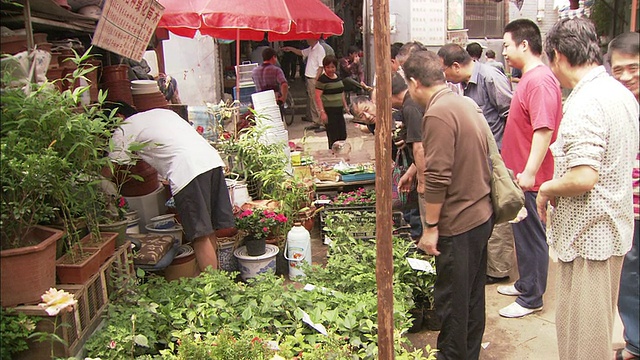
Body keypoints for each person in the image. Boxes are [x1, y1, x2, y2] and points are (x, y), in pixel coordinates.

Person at [536, 18, 639, 360]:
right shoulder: (618, 93)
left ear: (559, 56)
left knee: (584, 341)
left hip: (590, 237)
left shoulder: (586, 101)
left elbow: (583, 177)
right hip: (610, 231)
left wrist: (547, 187)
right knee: (590, 330)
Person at [404, 49, 494, 360]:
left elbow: (439, 176)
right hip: (480, 215)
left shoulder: (437, 113)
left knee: (454, 305)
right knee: (470, 300)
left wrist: (430, 228)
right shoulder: (461, 102)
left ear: (415, 83)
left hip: (460, 222)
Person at [108, 104, 235, 272]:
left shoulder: (124, 129)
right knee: (208, 228)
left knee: (200, 234)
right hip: (211, 160)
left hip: (188, 170)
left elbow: (110, 171)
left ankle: (213, 288)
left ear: (119, 117)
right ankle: (215, 280)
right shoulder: (160, 113)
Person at [498, 18, 563, 318]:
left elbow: (544, 128)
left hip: (530, 179)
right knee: (522, 234)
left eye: (507, 46)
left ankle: (532, 297)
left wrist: (530, 173)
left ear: (524, 44)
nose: (504, 53)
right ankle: (525, 283)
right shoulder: (527, 77)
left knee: (533, 236)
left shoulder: (539, 80)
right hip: (521, 176)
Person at [437, 43, 515, 285]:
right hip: (481, 159)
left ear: (456, 66)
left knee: (501, 212)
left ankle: (499, 269)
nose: (443, 76)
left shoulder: (490, 78)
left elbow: (510, 114)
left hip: (497, 156)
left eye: (444, 70)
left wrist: (503, 157)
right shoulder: (463, 87)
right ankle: (488, 266)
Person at [608, 31, 640, 360]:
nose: (626, 76)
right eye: (618, 70)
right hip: (628, 210)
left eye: (633, 68)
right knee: (629, 278)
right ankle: (634, 342)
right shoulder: (618, 104)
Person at [283, 38, 326, 131]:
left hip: (314, 78)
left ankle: (322, 122)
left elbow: (321, 66)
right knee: (312, 100)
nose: (307, 40)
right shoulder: (311, 49)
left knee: (316, 100)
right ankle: (316, 121)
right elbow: (301, 52)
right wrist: (291, 49)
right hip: (309, 78)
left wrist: (316, 79)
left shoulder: (320, 49)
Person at [315, 55, 348, 149]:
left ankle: (341, 153)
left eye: (332, 67)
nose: (330, 69)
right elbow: (317, 96)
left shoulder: (338, 77)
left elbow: (341, 92)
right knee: (333, 135)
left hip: (339, 110)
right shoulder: (322, 80)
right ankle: (333, 154)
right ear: (324, 67)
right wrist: (322, 112)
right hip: (329, 111)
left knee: (342, 134)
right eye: (328, 67)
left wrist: (345, 106)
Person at [251, 47, 289, 114]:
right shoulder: (276, 70)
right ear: (273, 57)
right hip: (273, 99)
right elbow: (284, 84)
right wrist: (283, 98)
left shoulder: (254, 71)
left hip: (260, 100)